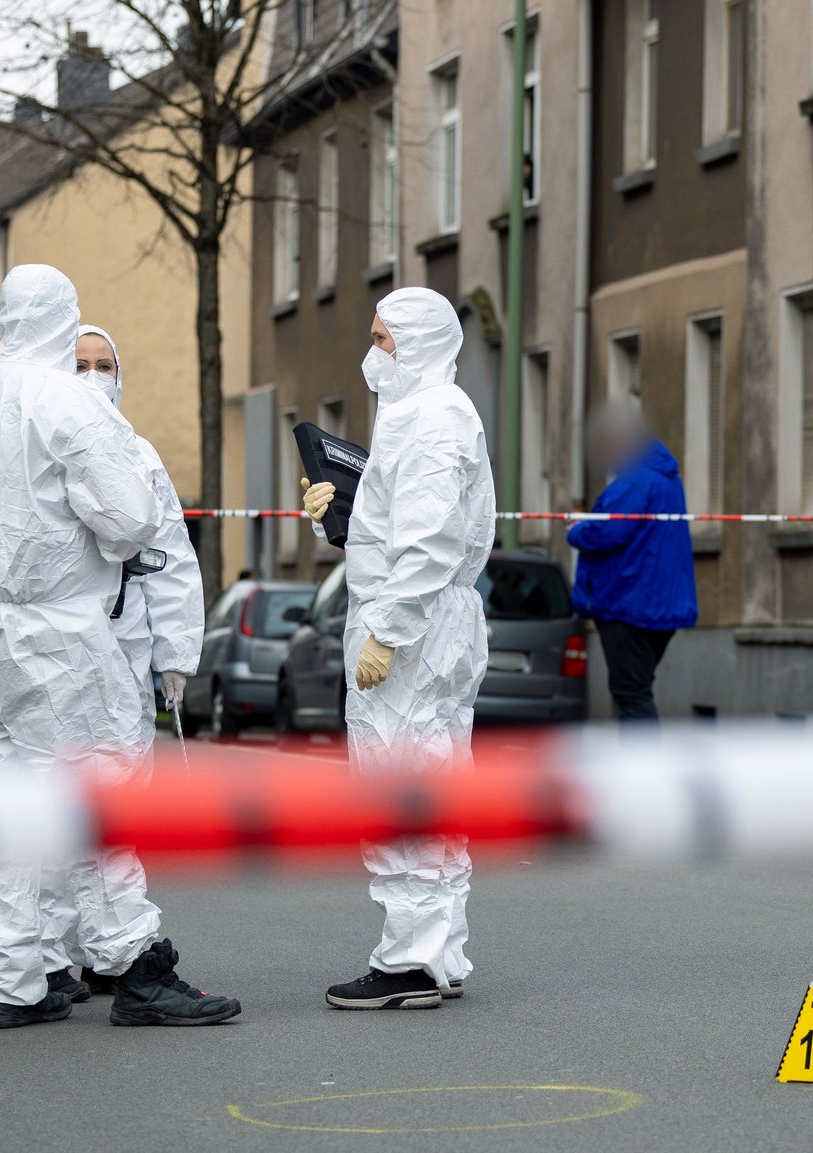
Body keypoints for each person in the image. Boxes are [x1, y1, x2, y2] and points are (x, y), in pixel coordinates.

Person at [0, 264, 238, 1031]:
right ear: (66, 318)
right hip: (52, 630)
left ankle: (15, 980)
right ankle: (133, 965)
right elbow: (128, 522)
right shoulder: (67, 404)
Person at [300, 287, 495, 1011]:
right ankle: (439, 952)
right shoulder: (420, 416)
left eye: (383, 340)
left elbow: (431, 538)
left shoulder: (431, 419)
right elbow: (398, 530)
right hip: (425, 621)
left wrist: (388, 630)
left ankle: (408, 960)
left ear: (417, 343)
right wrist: (342, 517)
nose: (373, 354)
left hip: (410, 628)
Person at [72, 322, 205, 996]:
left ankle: (103, 950)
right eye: (80, 363)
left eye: (103, 363)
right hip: (60, 650)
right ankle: (75, 952)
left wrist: (176, 653)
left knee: (113, 801)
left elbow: (171, 560)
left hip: (122, 650)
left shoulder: (138, 453)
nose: (94, 375)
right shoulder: (45, 443)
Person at [566, 407, 698, 722]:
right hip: (660, 607)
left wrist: (577, 530)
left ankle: (641, 769)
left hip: (630, 605)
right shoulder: (666, 479)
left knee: (632, 697)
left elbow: (607, 531)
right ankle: (636, 764)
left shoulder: (636, 481)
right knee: (637, 690)